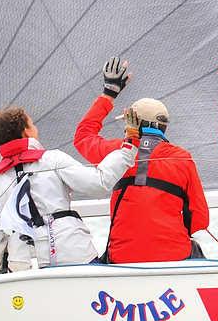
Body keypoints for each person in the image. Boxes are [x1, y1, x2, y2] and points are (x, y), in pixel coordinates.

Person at [74, 57, 209, 263]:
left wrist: (108, 94)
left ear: (134, 123)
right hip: (174, 256)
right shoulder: (182, 158)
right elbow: (200, 218)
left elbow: (83, 136)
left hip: (124, 258)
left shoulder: (117, 153)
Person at [0, 106, 138, 272]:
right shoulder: (53, 159)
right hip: (74, 255)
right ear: (26, 132)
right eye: (33, 124)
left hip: (23, 267)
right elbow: (99, 182)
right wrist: (129, 147)